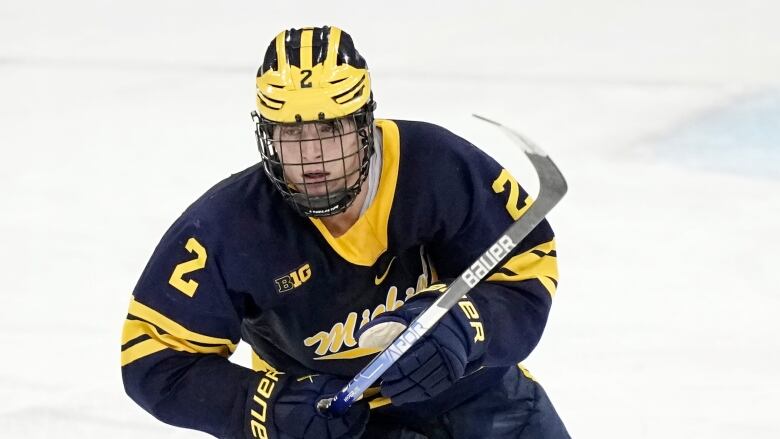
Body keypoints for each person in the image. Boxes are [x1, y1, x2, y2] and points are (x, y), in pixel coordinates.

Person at [121, 25, 570, 439]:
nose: (313, 156)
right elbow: (151, 356)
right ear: (267, 137)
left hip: (480, 396)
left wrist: (468, 326)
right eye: (292, 134)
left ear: (364, 125)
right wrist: (266, 410)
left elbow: (527, 265)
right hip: (340, 425)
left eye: (332, 128)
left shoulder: (435, 166)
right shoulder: (229, 227)